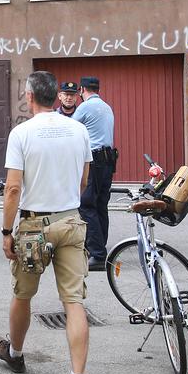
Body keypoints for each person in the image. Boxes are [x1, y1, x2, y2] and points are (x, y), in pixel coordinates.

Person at [0, 71, 93, 374]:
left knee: (23, 295)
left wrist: (7, 232)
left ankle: (16, 353)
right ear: (55, 96)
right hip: (71, 221)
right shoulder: (79, 130)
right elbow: (83, 179)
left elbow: (13, 189)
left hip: (34, 227)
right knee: (73, 302)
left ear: (31, 96)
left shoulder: (21, 133)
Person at [71, 75, 117, 270]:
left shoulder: (84, 107)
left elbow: (71, 129)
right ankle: (101, 248)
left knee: (87, 204)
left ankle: (97, 254)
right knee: (100, 204)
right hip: (108, 160)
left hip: (95, 160)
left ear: (82, 90)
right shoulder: (106, 107)